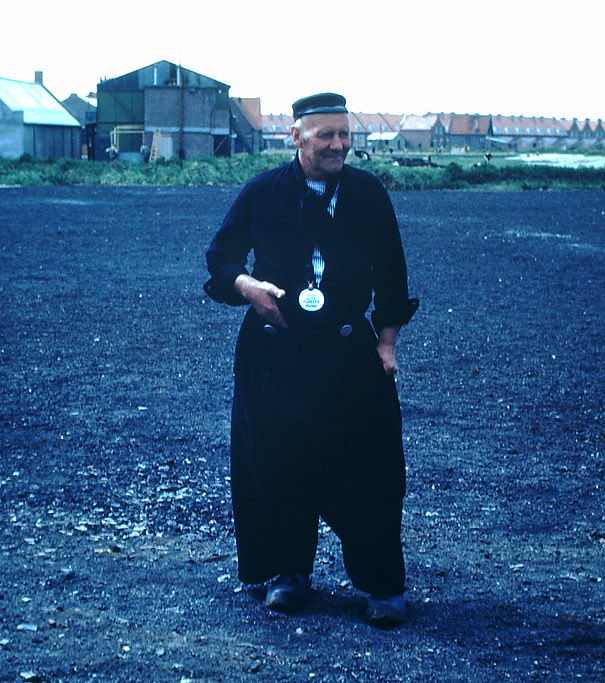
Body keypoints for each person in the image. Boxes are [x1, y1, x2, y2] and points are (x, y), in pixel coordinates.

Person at [204, 93, 418, 626]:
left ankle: (381, 585)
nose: (339, 145)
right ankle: (287, 573)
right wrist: (249, 286)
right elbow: (221, 257)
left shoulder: (368, 194)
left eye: (344, 135)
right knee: (275, 464)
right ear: (295, 137)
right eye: (326, 135)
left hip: (349, 352)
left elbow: (393, 274)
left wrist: (386, 342)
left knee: (371, 468)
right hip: (275, 356)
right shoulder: (262, 193)